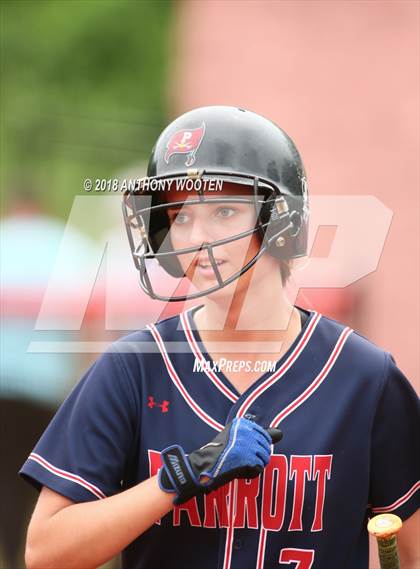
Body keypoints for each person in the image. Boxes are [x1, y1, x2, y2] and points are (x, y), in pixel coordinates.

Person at [20, 106, 419, 569]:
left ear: (281, 223)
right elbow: (45, 551)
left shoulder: (364, 378)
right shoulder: (134, 367)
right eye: (181, 217)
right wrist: (179, 478)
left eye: (225, 211)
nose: (196, 237)